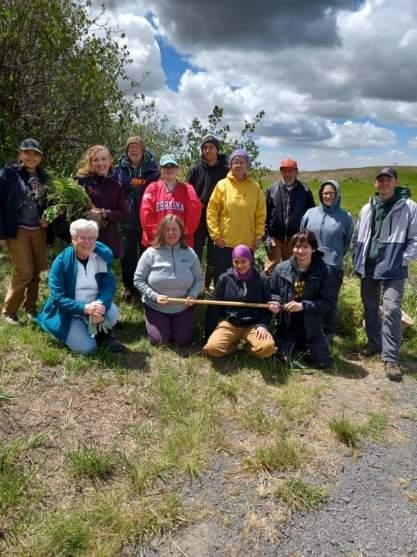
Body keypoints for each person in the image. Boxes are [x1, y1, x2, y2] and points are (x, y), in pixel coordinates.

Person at [352, 167, 417, 381]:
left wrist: (403, 259)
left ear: (396, 182)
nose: (384, 183)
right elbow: (359, 236)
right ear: (375, 184)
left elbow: (415, 238)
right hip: (369, 265)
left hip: (394, 267)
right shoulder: (366, 208)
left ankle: (390, 358)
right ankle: (374, 343)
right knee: (370, 306)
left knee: (391, 309)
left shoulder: (409, 208)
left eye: (388, 179)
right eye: (380, 180)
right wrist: (357, 259)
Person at [36, 219, 126, 354]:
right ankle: (82, 328)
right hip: (70, 310)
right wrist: (85, 309)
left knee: (113, 313)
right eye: (82, 238)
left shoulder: (100, 257)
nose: (88, 242)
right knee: (86, 349)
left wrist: (99, 306)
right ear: (73, 239)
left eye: (91, 238)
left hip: (94, 304)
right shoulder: (61, 262)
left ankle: (101, 334)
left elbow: (108, 285)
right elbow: (57, 298)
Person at [269, 231, 337, 369]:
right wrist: (275, 302)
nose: (300, 251)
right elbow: (272, 292)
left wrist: (303, 306)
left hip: (312, 326)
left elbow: (328, 303)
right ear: (292, 248)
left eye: (305, 247)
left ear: (313, 248)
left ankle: (308, 345)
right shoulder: (281, 269)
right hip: (287, 325)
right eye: (296, 247)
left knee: (323, 363)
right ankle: (290, 345)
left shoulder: (325, 271)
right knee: (281, 360)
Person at [133, 214, 203, 346]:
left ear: (181, 231)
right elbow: (138, 280)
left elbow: (199, 279)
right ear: (161, 231)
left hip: (182, 307)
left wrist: (193, 295)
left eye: (175, 229)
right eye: (167, 229)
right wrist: (154, 296)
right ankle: (152, 318)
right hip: (156, 306)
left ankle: (178, 324)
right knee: (160, 340)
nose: (171, 233)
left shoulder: (190, 253)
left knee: (182, 340)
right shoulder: (150, 253)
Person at [0, 138, 49, 324]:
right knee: (24, 271)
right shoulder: (9, 174)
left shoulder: (44, 177)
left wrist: (48, 219)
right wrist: (1, 233)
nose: (31, 157)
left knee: (36, 271)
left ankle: (31, 308)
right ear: (20, 154)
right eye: (26, 152)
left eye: (35, 154)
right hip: (17, 230)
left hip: (39, 231)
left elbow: (51, 204)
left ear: (40, 157)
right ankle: (9, 311)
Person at [300, 179, 353, 342]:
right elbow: (302, 237)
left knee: (329, 302)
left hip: (332, 266)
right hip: (310, 264)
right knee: (307, 297)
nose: (328, 196)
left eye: (331, 193)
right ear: (320, 195)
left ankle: (328, 334)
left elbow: (347, 242)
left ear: (337, 195)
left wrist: (333, 257)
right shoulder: (310, 213)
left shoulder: (346, 217)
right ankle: (306, 330)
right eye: (325, 193)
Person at [204, 245, 276, 358]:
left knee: (267, 348)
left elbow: (267, 306)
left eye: (243, 261)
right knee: (212, 349)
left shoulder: (262, 279)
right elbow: (214, 306)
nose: (239, 265)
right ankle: (233, 347)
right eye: (236, 262)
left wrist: (262, 324)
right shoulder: (225, 278)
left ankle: (249, 349)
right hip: (230, 322)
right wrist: (208, 334)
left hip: (253, 324)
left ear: (250, 260)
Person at [206, 148, 266, 284]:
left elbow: (260, 214)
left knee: (244, 278)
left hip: (247, 243)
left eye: (242, 162)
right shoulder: (222, 185)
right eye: (235, 162)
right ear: (230, 165)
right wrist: (216, 236)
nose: (238, 165)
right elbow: (212, 211)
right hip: (224, 243)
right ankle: (220, 305)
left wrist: (258, 236)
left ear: (247, 165)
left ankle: (243, 304)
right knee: (222, 279)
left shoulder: (255, 188)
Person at [113, 136, 160, 301]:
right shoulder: (119, 169)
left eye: (136, 147)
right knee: (127, 257)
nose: (133, 150)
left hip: (148, 221)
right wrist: (129, 185)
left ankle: (145, 287)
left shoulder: (153, 169)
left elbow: (157, 190)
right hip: (127, 220)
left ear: (142, 150)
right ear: (127, 151)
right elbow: (115, 190)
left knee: (147, 256)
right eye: (130, 147)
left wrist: (142, 184)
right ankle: (128, 287)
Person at [188, 134, 229, 289]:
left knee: (214, 255)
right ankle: (194, 285)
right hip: (198, 218)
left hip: (218, 219)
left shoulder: (226, 170)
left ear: (217, 150)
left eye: (211, 147)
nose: (207, 150)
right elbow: (189, 192)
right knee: (195, 252)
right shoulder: (195, 169)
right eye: (205, 147)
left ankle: (208, 285)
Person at [140, 154, 202, 249]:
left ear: (177, 169)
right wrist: (160, 236)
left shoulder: (187, 189)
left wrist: (179, 236)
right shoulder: (153, 188)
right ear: (161, 170)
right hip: (156, 243)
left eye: (172, 166)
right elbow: (146, 215)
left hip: (180, 243)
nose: (169, 169)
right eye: (165, 167)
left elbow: (193, 216)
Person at [264, 158, 315, 275]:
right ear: (281, 172)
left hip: (295, 239)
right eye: (284, 171)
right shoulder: (272, 190)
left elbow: (311, 216)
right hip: (274, 238)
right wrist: (266, 237)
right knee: (271, 269)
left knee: (292, 270)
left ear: (296, 172)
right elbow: (264, 215)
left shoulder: (305, 191)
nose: (287, 174)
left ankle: (290, 293)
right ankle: (270, 292)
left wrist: (305, 237)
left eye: (290, 171)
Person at [76, 145, 126, 257]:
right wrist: (89, 212)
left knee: (104, 272)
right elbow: (75, 210)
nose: (100, 163)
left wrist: (105, 214)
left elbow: (123, 212)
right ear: (90, 163)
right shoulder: (83, 182)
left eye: (104, 159)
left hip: (109, 239)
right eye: (96, 160)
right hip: (86, 239)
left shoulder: (117, 185)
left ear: (109, 161)